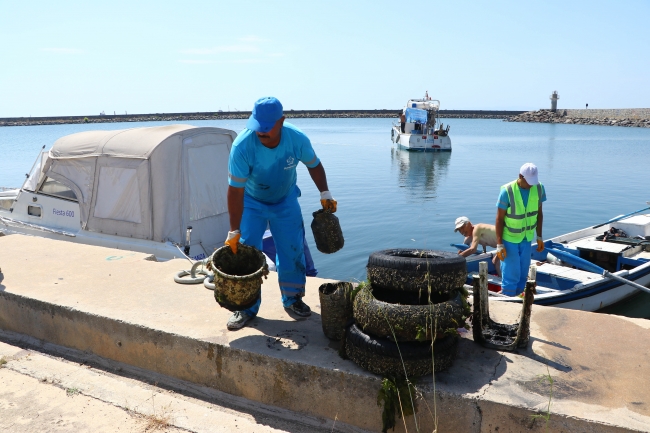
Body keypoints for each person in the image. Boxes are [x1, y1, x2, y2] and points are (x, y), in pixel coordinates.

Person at [224, 96, 336, 330]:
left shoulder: (296, 139)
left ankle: (293, 299)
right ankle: (246, 307)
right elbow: (235, 191)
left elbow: (314, 164)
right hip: (252, 203)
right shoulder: (242, 146)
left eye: (267, 127)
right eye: (258, 127)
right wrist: (234, 229)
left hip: (285, 200)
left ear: (282, 121)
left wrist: (325, 193)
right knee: (247, 253)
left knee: (292, 250)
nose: (261, 132)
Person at [495, 163, 547, 297]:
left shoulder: (539, 188)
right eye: (528, 182)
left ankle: (519, 297)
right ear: (520, 176)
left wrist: (539, 237)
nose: (531, 185)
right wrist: (499, 244)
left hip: (527, 238)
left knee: (523, 273)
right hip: (509, 239)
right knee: (511, 273)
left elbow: (539, 214)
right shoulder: (507, 191)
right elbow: (499, 219)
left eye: (533, 182)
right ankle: (507, 298)